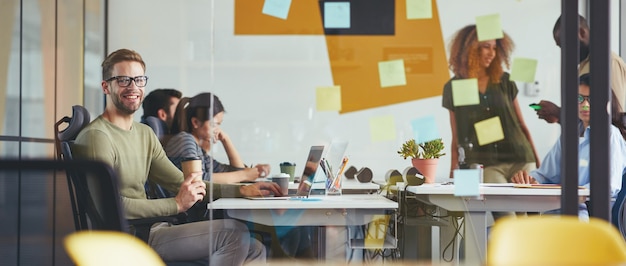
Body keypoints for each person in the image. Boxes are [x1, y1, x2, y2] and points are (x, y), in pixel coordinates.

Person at [73, 48, 282, 264]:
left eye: (139, 80)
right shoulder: (97, 137)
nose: (133, 87)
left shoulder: (144, 133)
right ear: (106, 86)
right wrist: (176, 205)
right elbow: (109, 205)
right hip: (128, 238)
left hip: (152, 228)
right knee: (234, 233)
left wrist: (242, 190)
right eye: (124, 80)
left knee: (254, 248)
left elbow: (181, 182)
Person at [511, 73, 626, 220]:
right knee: (495, 235)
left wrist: (572, 193)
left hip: (587, 217)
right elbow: (546, 174)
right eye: (579, 98)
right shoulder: (570, 135)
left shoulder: (610, 135)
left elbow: (609, 186)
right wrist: (528, 179)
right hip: (557, 212)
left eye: (591, 99)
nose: (585, 105)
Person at [442, 24, 540, 183]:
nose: (491, 53)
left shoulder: (504, 81)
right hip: (486, 164)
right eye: (486, 47)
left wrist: (539, 165)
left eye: (495, 48)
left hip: (521, 158)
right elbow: (457, 137)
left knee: (526, 208)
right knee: (504, 208)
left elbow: (521, 125)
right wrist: (453, 175)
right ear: (470, 49)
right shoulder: (455, 87)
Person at [536, 14, 626, 123]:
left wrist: (559, 112)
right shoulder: (584, 65)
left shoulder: (608, 63)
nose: (564, 53)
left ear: (582, 33)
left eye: (565, 46)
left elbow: (613, 115)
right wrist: (559, 118)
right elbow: (583, 120)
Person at [164, 92, 271, 184]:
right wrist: (244, 175)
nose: (217, 130)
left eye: (219, 124)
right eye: (214, 124)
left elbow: (235, 171)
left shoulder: (199, 150)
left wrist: (226, 139)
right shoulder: (185, 140)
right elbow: (198, 179)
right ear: (195, 122)